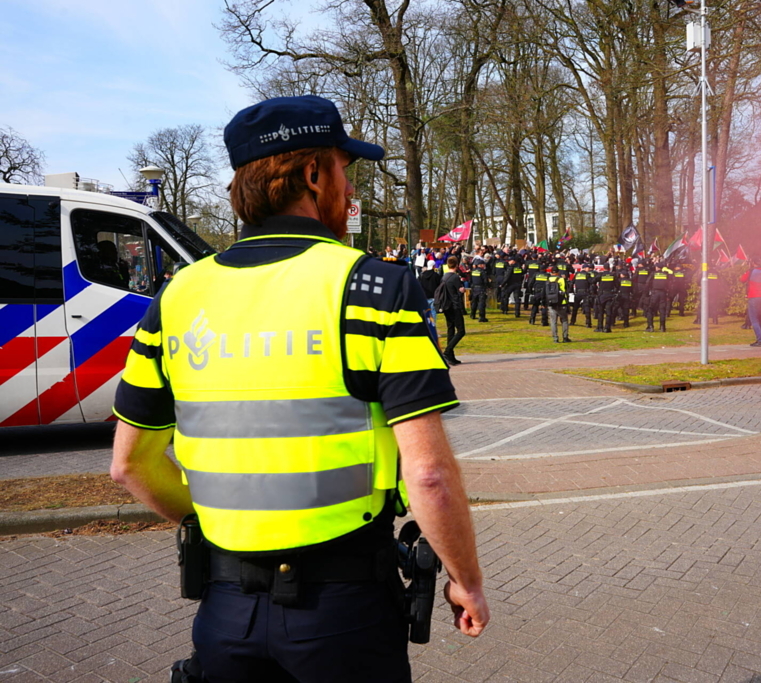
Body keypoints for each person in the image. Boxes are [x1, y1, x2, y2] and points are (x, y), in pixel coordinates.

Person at [110, 95, 487, 683]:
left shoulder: (178, 296)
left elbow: (131, 465)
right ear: (313, 174)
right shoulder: (372, 288)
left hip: (223, 611)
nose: (350, 189)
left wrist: (219, 526)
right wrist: (467, 580)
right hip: (344, 612)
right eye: (344, 169)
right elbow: (429, 474)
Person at [439, 255, 467, 364]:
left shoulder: (444, 276)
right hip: (454, 306)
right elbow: (458, 292)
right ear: (456, 265)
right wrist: (461, 291)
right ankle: (447, 351)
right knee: (461, 331)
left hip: (446, 305)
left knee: (451, 329)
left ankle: (450, 355)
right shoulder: (455, 277)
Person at [740, 257, 761, 347]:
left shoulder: (751, 271)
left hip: (754, 297)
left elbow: (742, 279)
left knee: (754, 319)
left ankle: (760, 340)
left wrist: (747, 270)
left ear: (753, 263)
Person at [545, 267, 571, 343]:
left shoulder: (548, 280)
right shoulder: (561, 279)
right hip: (562, 303)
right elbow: (566, 290)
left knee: (553, 321)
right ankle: (565, 337)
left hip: (551, 303)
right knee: (564, 320)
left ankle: (555, 338)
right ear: (558, 272)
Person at [646, 266, 671, 332]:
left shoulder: (653, 273)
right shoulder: (666, 274)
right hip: (663, 293)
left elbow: (647, 282)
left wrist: (647, 292)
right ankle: (662, 327)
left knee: (650, 309)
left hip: (655, 293)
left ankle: (650, 327)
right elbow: (669, 284)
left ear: (657, 267)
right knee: (662, 310)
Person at [418, 259, 441, 325]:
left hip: (424, 296)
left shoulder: (422, 275)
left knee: (425, 313)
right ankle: (432, 328)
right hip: (433, 296)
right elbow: (439, 286)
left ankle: (426, 328)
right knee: (433, 312)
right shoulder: (436, 275)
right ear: (433, 266)